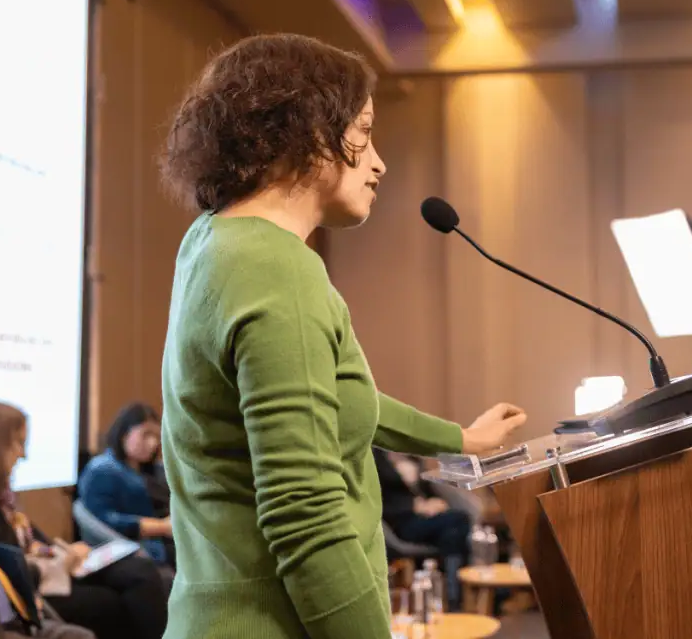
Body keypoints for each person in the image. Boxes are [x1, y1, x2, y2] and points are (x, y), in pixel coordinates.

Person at [158, 33, 527, 639]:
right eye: (364, 132)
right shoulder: (275, 267)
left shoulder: (211, 241)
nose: (378, 162)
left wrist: (462, 438)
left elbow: (327, 396)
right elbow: (304, 514)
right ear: (306, 131)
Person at [0, 402, 168, 639]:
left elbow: (33, 540)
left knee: (140, 571)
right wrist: (55, 556)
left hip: (55, 566)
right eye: (19, 443)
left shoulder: (4, 499)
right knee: (119, 598)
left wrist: (63, 550)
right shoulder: (103, 470)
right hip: (37, 583)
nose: (24, 454)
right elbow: (5, 570)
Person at [78, 403, 175, 576]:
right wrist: (162, 527)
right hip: (139, 548)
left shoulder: (153, 469)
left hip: (167, 541)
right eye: (146, 434)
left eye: (156, 436)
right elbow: (107, 520)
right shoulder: (101, 470)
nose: (153, 443)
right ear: (124, 434)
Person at [374, 449, 470, 607]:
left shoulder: (410, 454)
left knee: (452, 535)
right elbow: (378, 501)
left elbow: (426, 488)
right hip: (399, 522)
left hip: (426, 518)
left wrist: (435, 503)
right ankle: (455, 597)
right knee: (460, 521)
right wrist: (414, 507)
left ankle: (448, 598)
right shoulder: (375, 458)